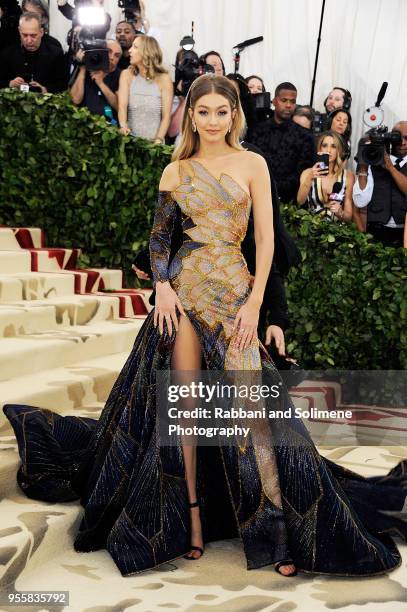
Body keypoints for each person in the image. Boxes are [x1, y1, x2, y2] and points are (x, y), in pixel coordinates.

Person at [4, 75, 407, 581]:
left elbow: (266, 243)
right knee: (186, 413)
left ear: (234, 114)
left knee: (253, 419)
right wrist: (165, 288)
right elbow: (159, 242)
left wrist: (256, 306)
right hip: (186, 294)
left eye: (222, 111)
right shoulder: (175, 171)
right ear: (190, 115)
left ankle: (276, 529)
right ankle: (188, 516)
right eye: (204, 112)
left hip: (235, 296)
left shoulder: (253, 164)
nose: (213, 121)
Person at [248, 82, 316, 202]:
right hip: (257, 196)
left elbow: (304, 171)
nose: (288, 105)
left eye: (292, 101)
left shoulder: (305, 136)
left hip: (290, 202)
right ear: (274, 101)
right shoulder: (256, 131)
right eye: (284, 100)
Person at [353, 121, 407, 247]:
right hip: (376, 232)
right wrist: (363, 166)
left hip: (404, 233)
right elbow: (360, 202)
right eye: (398, 138)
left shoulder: (387, 163)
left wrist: (390, 167)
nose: (403, 143)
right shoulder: (373, 161)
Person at [118, 35, 173, 142]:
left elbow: (166, 116)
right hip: (130, 142)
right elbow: (122, 106)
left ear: (146, 51)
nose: (129, 50)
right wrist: (123, 126)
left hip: (154, 145)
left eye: (135, 47)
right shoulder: (126, 75)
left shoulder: (164, 79)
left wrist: (158, 139)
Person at [0, 12, 67, 93]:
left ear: (41, 32)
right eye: (24, 35)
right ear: (19, 31)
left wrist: (44, 89)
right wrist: (10, 83)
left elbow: (63, 85)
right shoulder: (8, 54)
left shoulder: (55, 53)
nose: (29, 40)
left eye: (33, 35)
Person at [297, 130, 353, 222]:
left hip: (337, 232)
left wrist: (340, 212)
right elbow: (300, 201)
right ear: (320, 149)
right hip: (312, 230)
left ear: (339, 150)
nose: (328, 150)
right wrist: (310, 177)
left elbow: (348, 217)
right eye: (325, 145)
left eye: (333, 146)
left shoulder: (348, 177)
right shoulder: (307, 173)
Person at [69, 39, 122, 118]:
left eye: (116, 55)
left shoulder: (121, 76)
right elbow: (75, 100)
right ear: (100, 52)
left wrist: (101, 83)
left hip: (109, 125)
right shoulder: (86, 67)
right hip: (84, 123)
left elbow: (121, 108)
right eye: (109, 52)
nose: (112, 57)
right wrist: (82, 69)